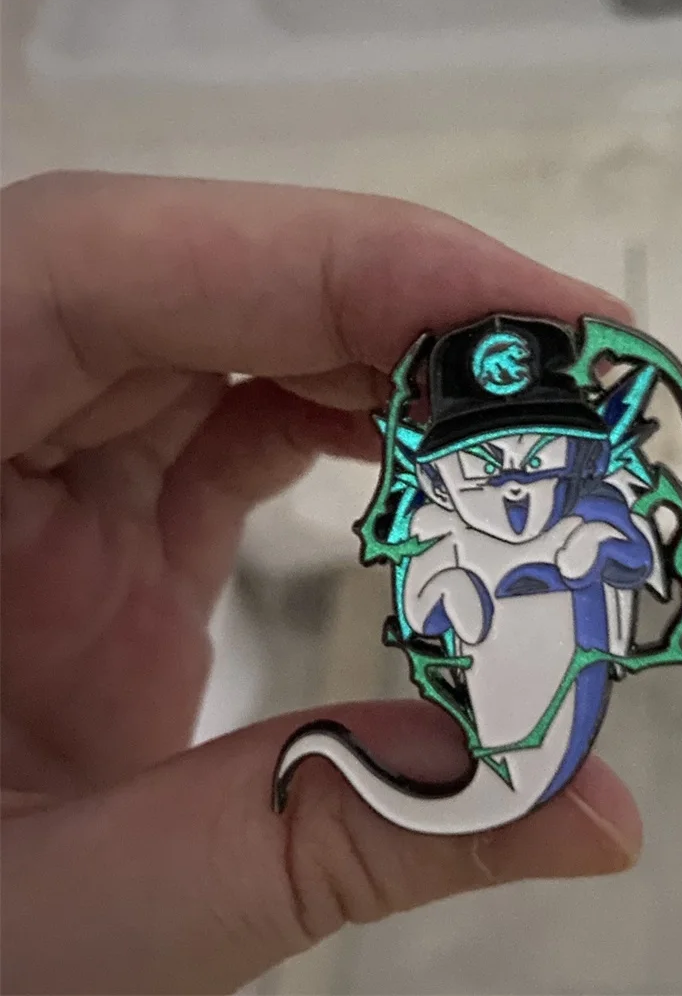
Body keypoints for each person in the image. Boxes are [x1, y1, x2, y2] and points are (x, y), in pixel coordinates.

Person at [0, 172, 643, 994]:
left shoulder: (590, 522)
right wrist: (460, 589)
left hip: (559, 691)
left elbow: (624, 562)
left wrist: (593, 542)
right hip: (501, 711)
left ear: (581, 460)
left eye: (538, 462)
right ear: (435, 479)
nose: (515, 489)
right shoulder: (442, 547)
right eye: (484, 468)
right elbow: (430, 609)